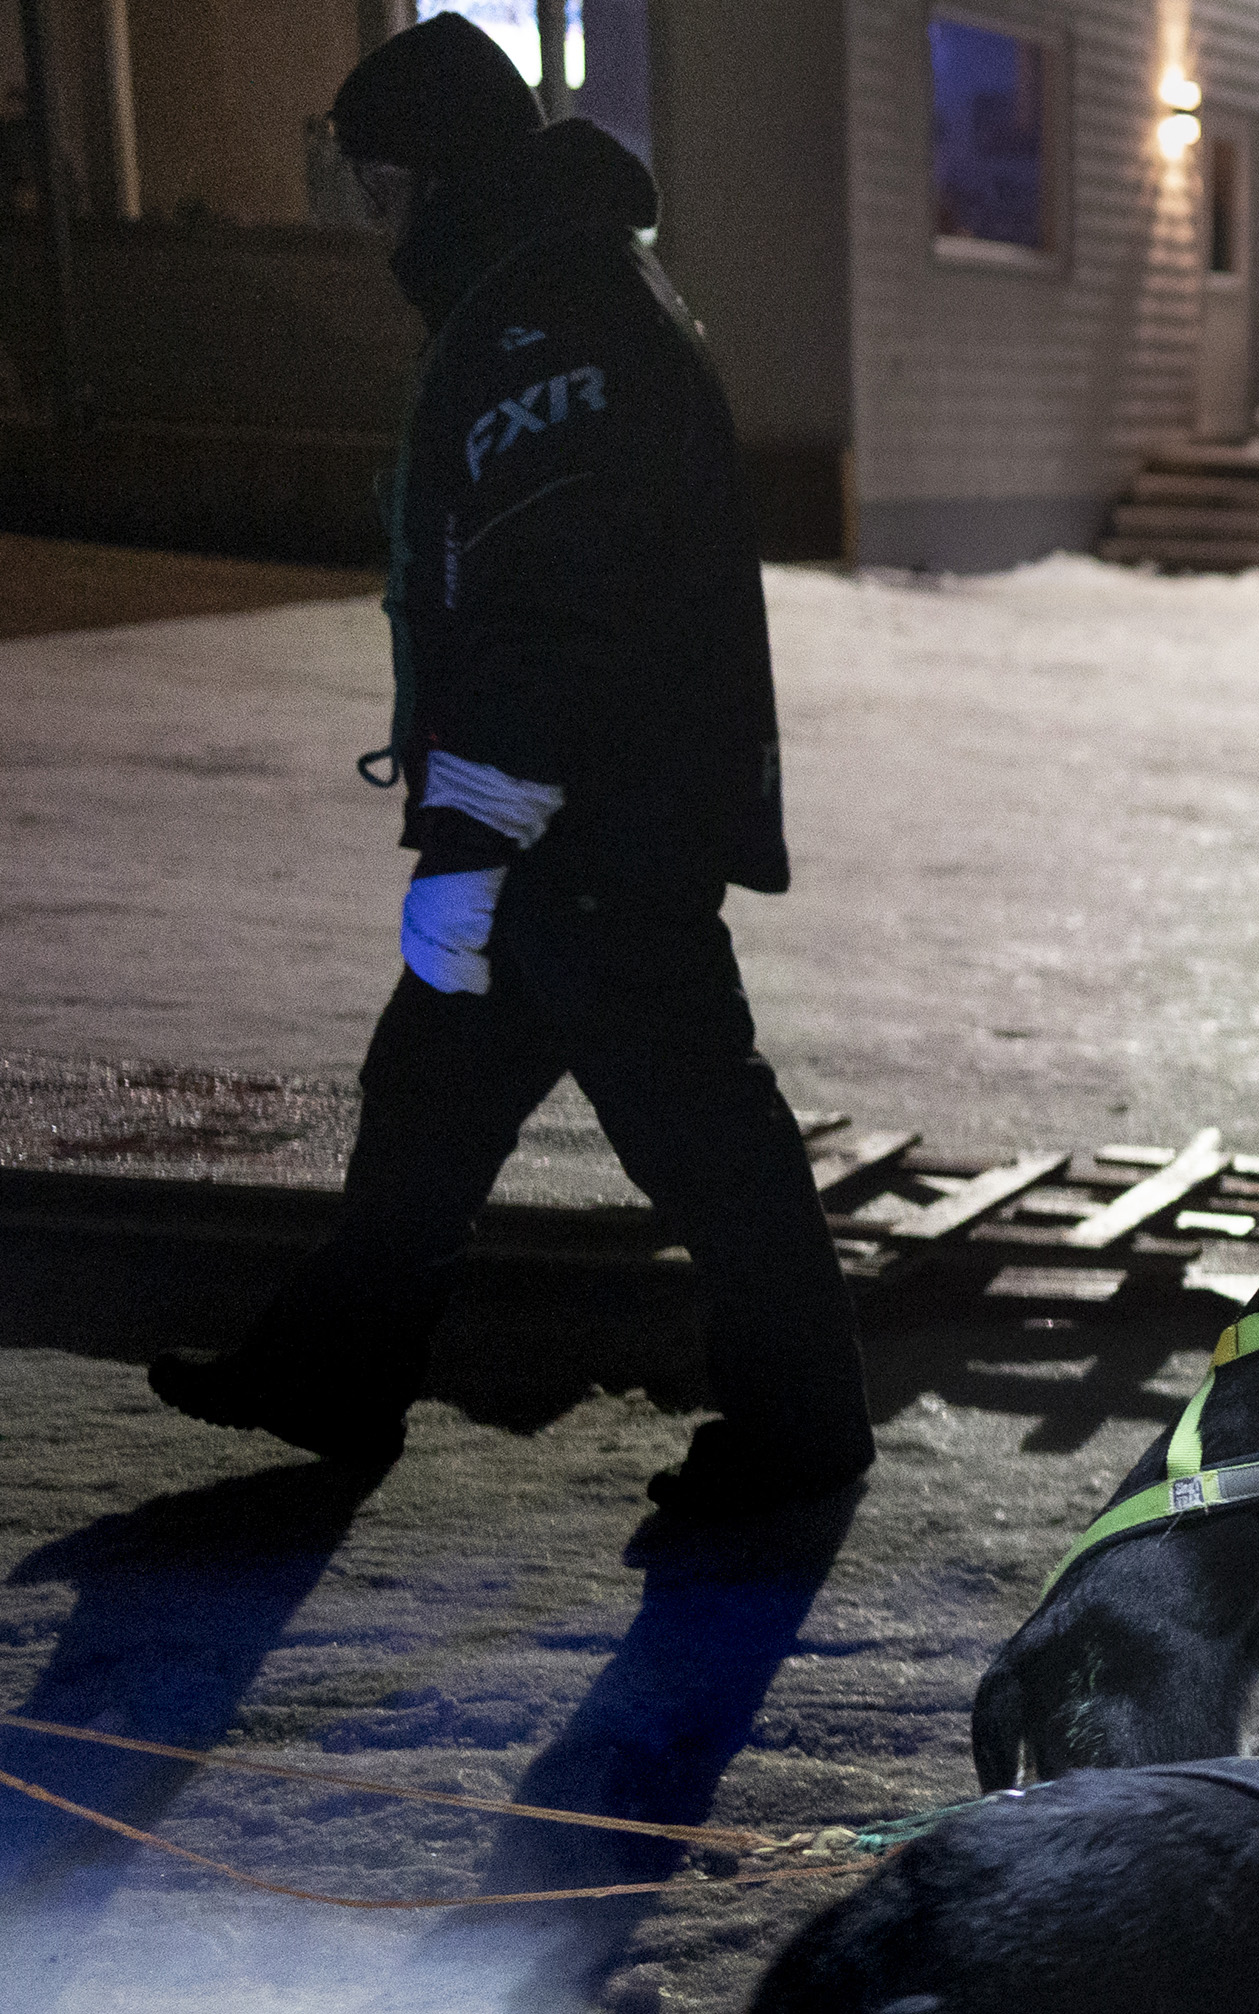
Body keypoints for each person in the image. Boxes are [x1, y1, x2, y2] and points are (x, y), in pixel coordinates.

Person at [148, 15, 873, 1517]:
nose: (374, 228)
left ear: (441, 176)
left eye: (380, 191)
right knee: (430, 1092)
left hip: (591, 822)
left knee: (694, 1121)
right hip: (586, 805)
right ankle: (339, 1372)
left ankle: (804, 1433)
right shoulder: (554, 283)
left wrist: (475, 837)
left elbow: (555, 604)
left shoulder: (548, 320)